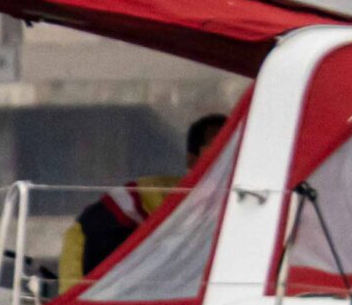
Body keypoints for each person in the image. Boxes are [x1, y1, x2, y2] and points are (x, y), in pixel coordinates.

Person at [60, 112, 229, 289]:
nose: (226, 160)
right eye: (217, 149)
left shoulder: (243, 206)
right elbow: (86, 232)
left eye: (232, 150)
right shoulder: (154, 196)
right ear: (192, 160)